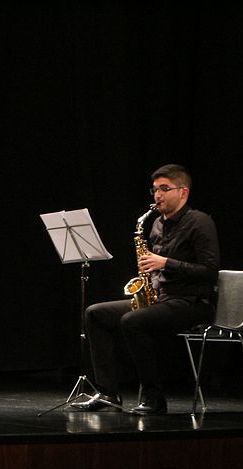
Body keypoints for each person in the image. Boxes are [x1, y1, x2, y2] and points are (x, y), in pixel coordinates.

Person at [70, 164, 220, 415]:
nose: (157, 195)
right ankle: (108, 393)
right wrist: (151, 275)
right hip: (160, 298)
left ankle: (154, 399)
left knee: (132, 321)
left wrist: (165, 263)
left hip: (192, 303)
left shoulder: (200, 222)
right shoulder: (156, 225)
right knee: (94, 313)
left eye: (164, 189)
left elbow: (209, 270)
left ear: (183, 193)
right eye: (154, 190)